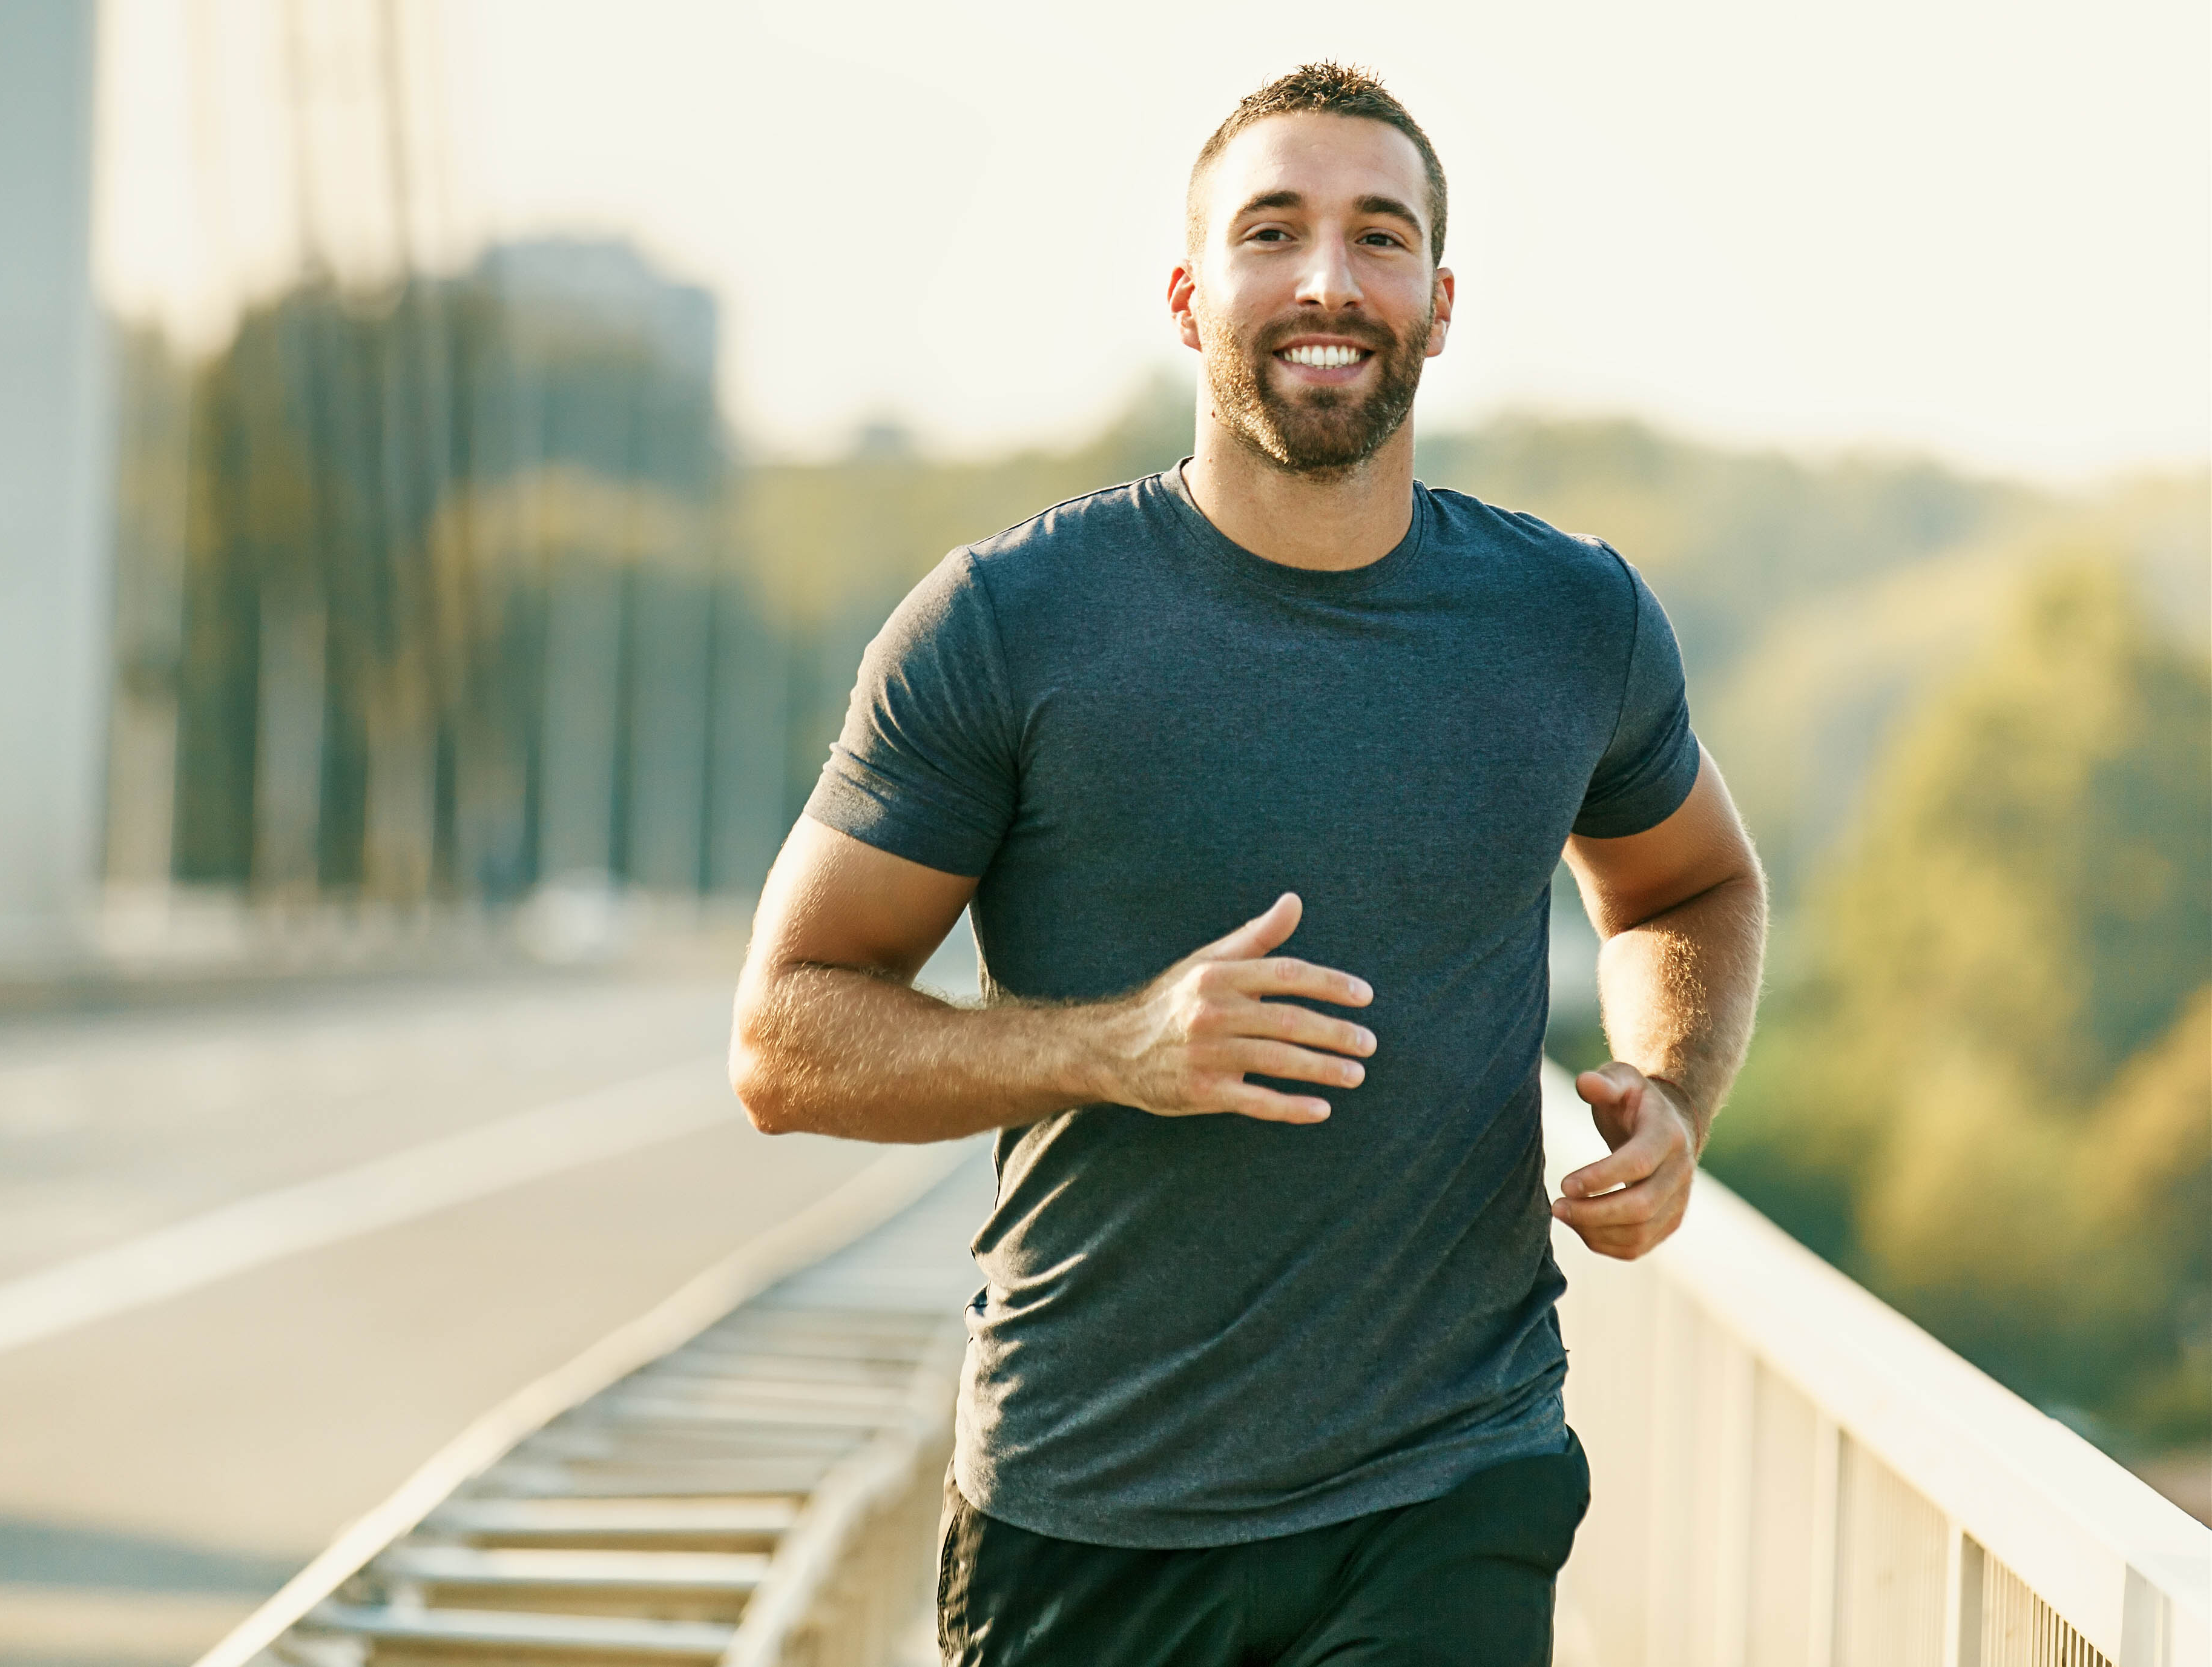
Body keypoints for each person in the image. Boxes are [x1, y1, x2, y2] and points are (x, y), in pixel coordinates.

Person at [729, 61, 1767, 1667]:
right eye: (1270, 232)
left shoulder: (1572, 620)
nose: (1325, 280)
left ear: (1437, 298)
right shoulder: (1006, 623)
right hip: (1091, 1505)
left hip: (1451, 1485)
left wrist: (1673, 1093)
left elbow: (1687, 884)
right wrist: (1111, 1046)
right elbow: (784, 1037)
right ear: (1188, 292)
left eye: (1376, 235)